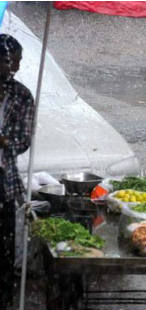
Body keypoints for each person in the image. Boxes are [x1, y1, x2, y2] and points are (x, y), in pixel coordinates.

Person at [0, 34, 35, 309]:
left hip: (3, 181)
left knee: (3, 251)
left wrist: (3, 141)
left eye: (18, 62)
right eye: (13, 62)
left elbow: (23, 141)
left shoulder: (21, 95)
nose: (17, 68)